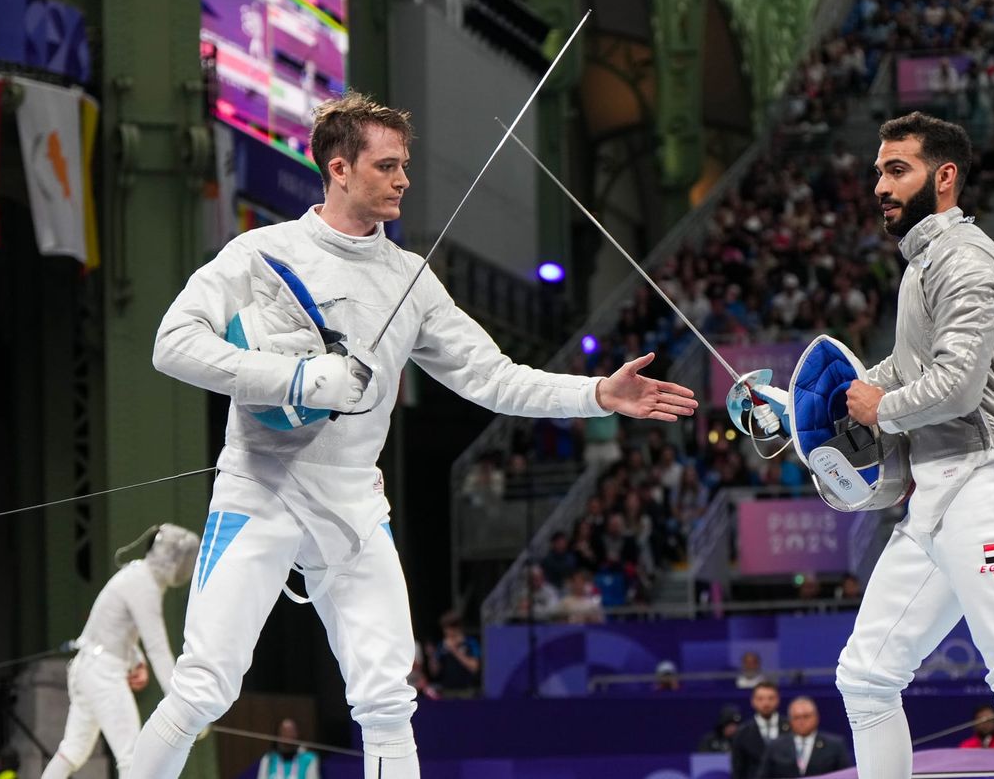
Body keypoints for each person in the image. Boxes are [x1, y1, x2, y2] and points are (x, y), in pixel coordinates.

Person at [129, 92, 697, 779]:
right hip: (261, 489)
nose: (403, 179)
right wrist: (297, 379)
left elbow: (492, 376)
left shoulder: (412, 279)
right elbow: (172, 344)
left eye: (405, 165)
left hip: (353, 504)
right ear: (339, 168)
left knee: (387, 699)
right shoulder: (261, 254)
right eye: (387, 165)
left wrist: (596, 393)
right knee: (203, 684)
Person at [836, 112, 994, 779]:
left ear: (943, 177)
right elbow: (902, 368)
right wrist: (820, 400)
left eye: (898, 170)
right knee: (865, 676)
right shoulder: (922, 266)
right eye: (879, 172)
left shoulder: (966, 261)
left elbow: (956, 387)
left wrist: (880, 407)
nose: (882, 186)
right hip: (941, 493)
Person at [41, 524, 200, 779]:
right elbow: (157, 647)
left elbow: (117, 629)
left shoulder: (137, 575)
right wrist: (184, 703)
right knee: (132, 756)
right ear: (169, 557)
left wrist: (136, 662)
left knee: (73, 751)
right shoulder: (144, 583)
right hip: (102, 672)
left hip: (88, 668)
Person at [756, 696, 851, 777]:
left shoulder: (834, 745)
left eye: (806, 716)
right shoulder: (776, 746)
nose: (801, 721)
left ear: (816, 717)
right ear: (790, 720)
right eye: (796, 717)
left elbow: (846, 775)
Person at [732, 681, 783, 779]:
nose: (766, 703)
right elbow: (738, 771)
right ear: (753, 701)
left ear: (777, 700)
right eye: (760, 699)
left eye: (771, 698)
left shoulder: (791, 728)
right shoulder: (742, 733)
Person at [425, 611, 481, 696]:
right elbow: (435, 672)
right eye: (444, 628)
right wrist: (431, 655)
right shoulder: (442, 645)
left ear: (457, 628)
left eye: (448, 628)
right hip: (447, 691)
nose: (446, 632)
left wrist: (454, 650)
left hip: (467, 691)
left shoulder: (470, 643)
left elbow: (474, 667)